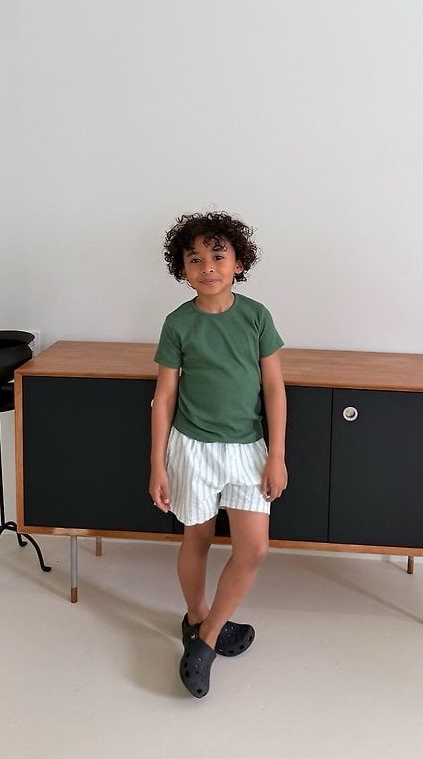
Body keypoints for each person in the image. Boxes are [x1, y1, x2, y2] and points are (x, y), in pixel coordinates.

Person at [149, 211, 287, 698]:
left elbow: (274, 387)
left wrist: (277, 455)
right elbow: (164, 395)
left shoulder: (256, 317)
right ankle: (197, 618)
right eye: (195, 259)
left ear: (238, 262)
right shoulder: (178, 323)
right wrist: (157, 464)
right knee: (199, 538)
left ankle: (205, 640)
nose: (207, 266)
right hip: (191, 448)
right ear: (182, 268)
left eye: (217, 256)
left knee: (254, 548)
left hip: (248, 448)